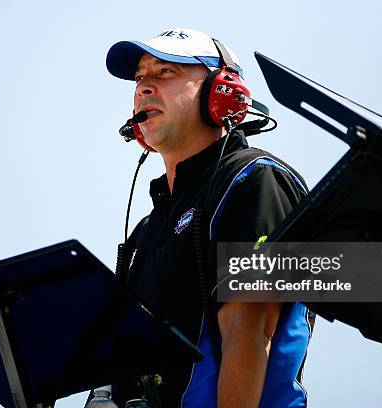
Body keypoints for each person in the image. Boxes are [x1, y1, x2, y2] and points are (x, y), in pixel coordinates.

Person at [105, 28, 313, 408]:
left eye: (165, 72)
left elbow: (249, 332)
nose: (144, 88)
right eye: (139, 78)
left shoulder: (254, 180)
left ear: (223, 91)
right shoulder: (148, 230)